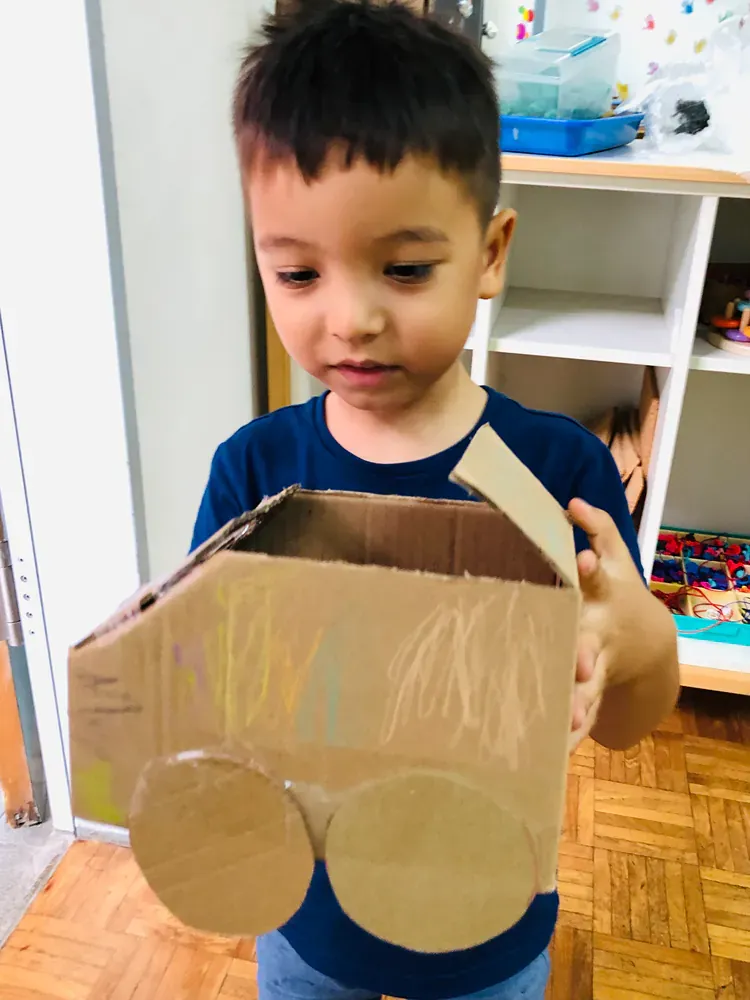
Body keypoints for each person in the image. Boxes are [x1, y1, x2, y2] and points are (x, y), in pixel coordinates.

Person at [191, 2, 679, 997]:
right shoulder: (253, 474)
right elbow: (210, 695)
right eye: (297, 271)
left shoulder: (559, 476)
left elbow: (629, 722)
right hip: (309, 929)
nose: (352, 317)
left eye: (405, 268)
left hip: (486, 934)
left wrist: (643, 646)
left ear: (491, 251)